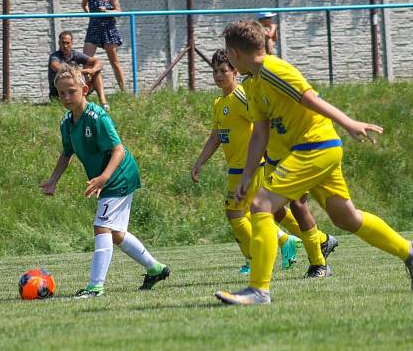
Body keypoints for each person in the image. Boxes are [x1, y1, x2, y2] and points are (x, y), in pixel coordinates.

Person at [215, 20, 413, 306]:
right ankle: (410, 251)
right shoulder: (252, 83)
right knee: (346, 218)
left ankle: (258, 289)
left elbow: (310, 99)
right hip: (311, 151)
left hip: (315, 146)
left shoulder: (273, 69)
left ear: (234, 53)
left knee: (261, 206)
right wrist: (248, 176)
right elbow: (261, 133)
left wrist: (348, 122)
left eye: (227, 55)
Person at [39, 64, 170, 298]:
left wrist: (103, 178)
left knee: (101, 226)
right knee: (116, 233)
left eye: (72, 91)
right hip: (107, 178)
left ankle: (95, 286)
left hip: (119, 174)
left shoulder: (98, 117)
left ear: (85, 89)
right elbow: (66, 153)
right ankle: (156, 269)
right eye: (62, 93)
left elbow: (118, 149)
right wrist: (53, 180)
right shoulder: (66, 123)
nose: (67, 97)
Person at [192, 50, 312, 275]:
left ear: (235, 72)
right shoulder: (220, 102)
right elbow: (216, 135)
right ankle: (289, 241)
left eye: (223, 71)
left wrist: (276, 154)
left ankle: (257, 258)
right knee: (259, 213)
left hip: (251, 167)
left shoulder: (240, 97)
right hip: (236, 169)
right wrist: (200, 161)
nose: (218, 75)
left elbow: (261, 125)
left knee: (235, 213)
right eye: (215, 71)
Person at [82, 0, 126, 92]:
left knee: (114, 62)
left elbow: (119, 11)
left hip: (108, 29)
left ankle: (124, 91)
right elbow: (83, 5)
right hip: (94, 28)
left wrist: (106, 11)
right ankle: (83, 91)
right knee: (85, 61)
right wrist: (90, 14)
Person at [48, 31, 109, 111]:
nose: (65, 46)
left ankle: (103, 103)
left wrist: (92, 70)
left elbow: (98, 62)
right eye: (63, 43)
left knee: (96, 73)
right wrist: (82, 71)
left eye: (67, 43)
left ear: (71, 43)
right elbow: (57, 67)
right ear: (59, 43)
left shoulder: (75, 55)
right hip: (59, 93)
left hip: (74, 89)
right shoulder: (55, 57)